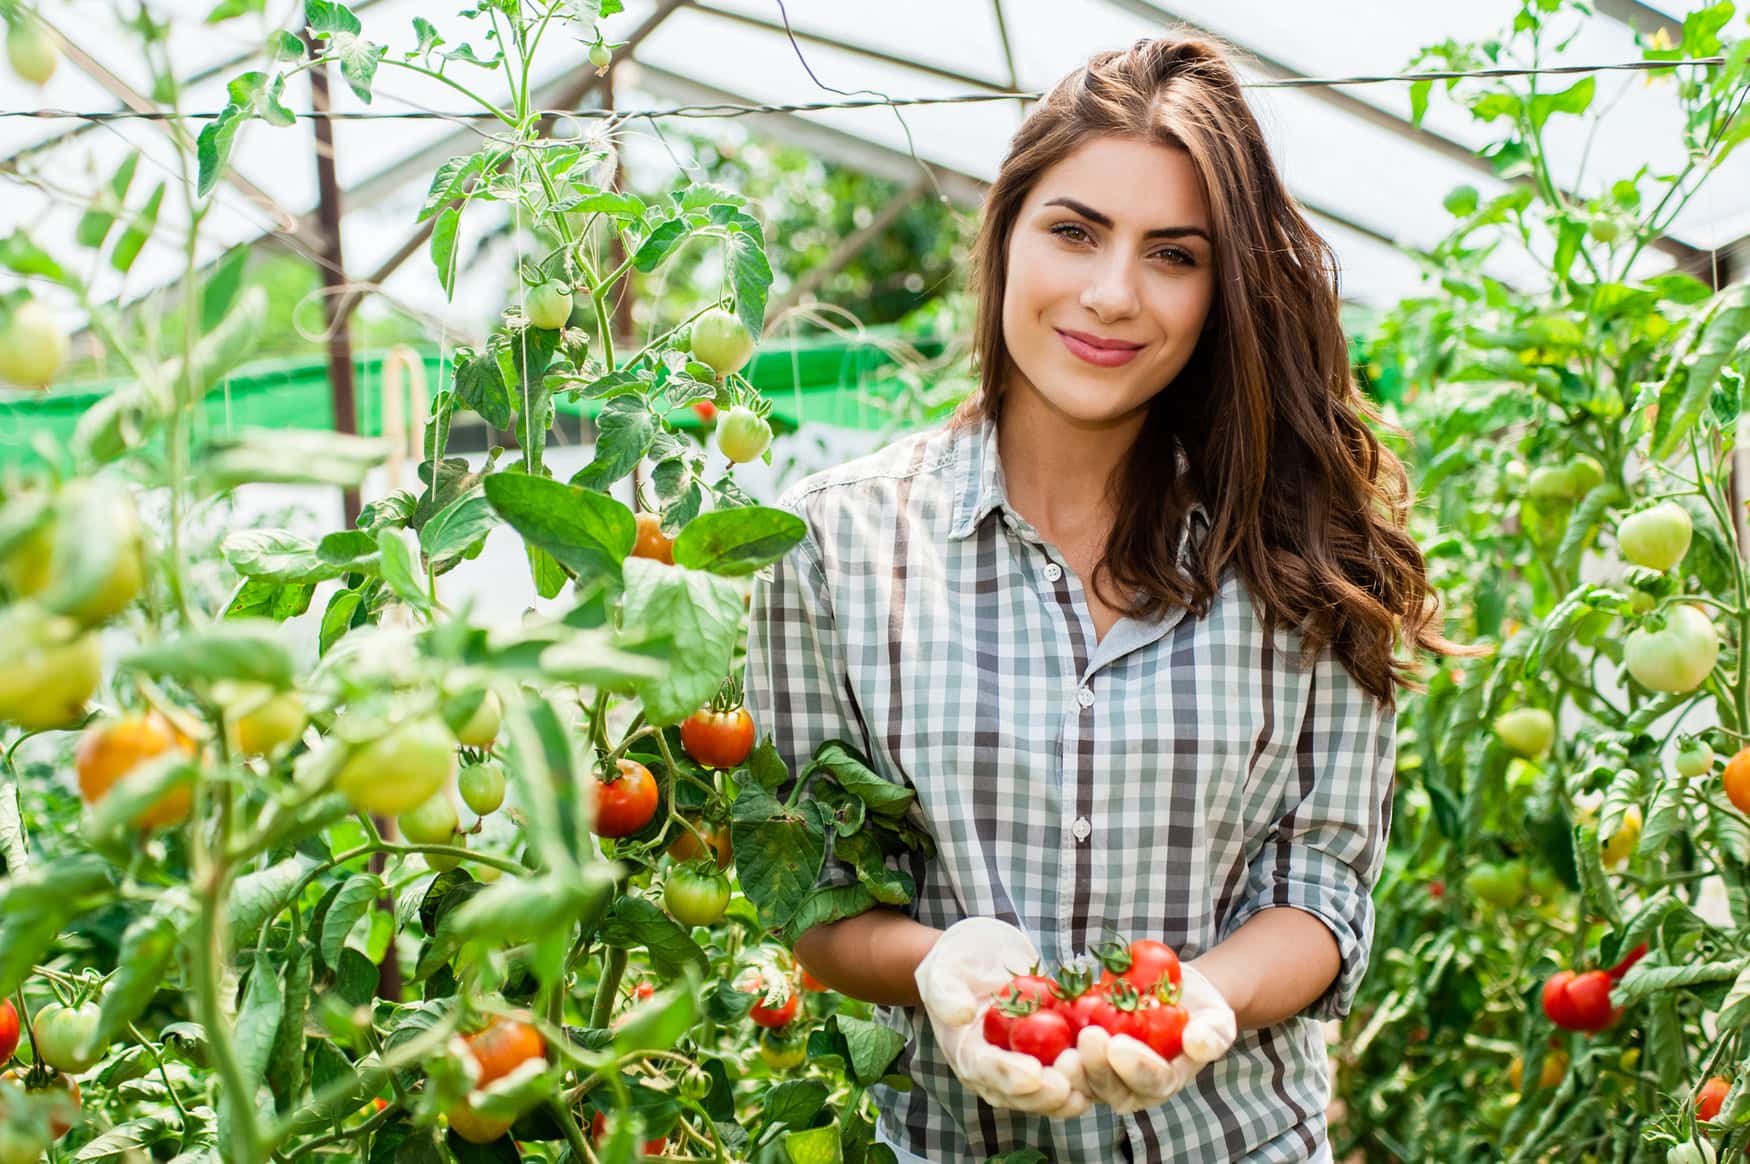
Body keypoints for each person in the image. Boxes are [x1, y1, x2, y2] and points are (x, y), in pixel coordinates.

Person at [743, 33, 1472, 1164]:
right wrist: (933, 965)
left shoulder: (1299, 553)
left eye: (1173, 255)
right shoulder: (834, 545)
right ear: (1006, 234)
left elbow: (1319, 893)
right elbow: (817, 898)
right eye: (1074, 231)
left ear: (1223, 288)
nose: (1111, 294)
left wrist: (1205, 999)